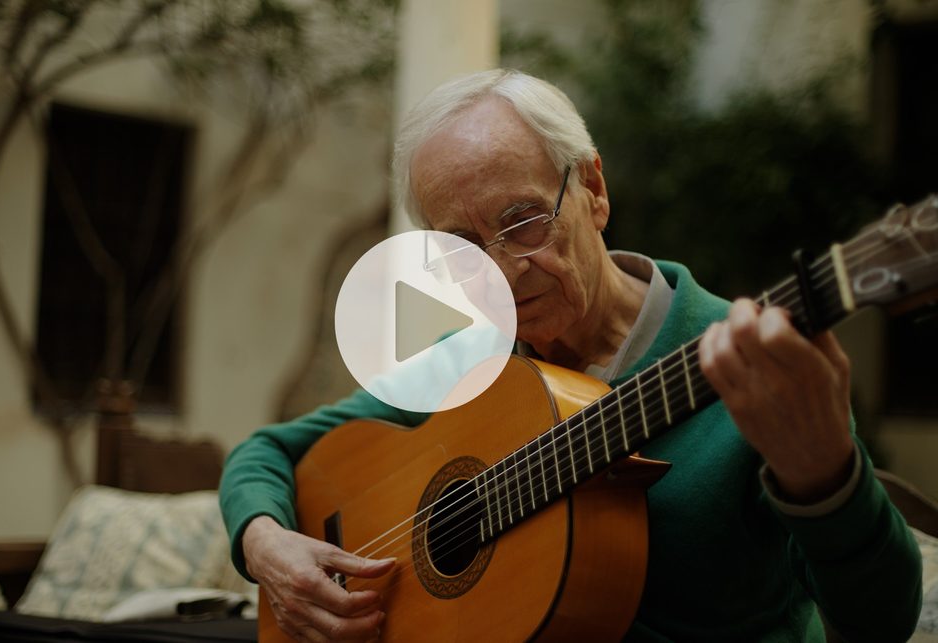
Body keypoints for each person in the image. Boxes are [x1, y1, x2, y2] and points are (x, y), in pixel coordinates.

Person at [219, 69, 922, 641]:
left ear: (593, 189)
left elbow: (878, 621)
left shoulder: (755, 371)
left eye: (522, 221)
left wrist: (828, 476)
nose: (500, 271)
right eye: (461, 249)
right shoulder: (471, 358)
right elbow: (267, 452)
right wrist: (265, 543)